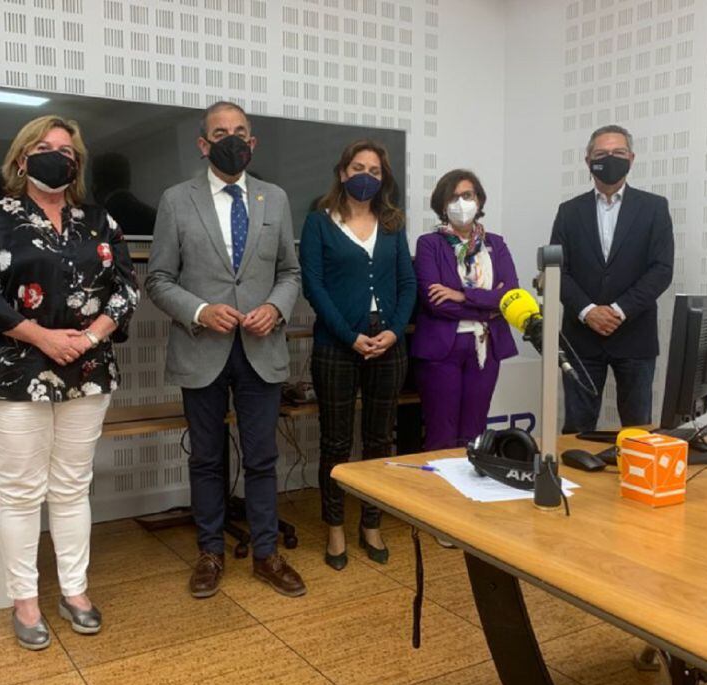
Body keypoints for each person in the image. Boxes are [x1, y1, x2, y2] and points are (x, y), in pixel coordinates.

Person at [0, 115, 140, 650]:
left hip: (86, 368)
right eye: (43, 146)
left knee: (72, 486)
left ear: (77, 163)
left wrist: (89, 337)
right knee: (20, 491)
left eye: (66, 149)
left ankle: (75, 591)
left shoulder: (98, 220)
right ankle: (26, 601)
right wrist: (45, 338)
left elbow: (126, 288)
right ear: (20, 158)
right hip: (12, 373)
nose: (56, 155)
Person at [145, 101, 305, 598]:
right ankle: (210, 553)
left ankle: (266, 555)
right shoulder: (176, 200)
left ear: (252, 143)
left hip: (261, 347)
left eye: (239, 132)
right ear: (203, 144)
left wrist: (276, 309)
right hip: (203, 346)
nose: (231, 140)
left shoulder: (274, 198)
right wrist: (199, 311)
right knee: (207, 460)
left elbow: (290, 273)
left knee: (262, 458)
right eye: (220, 132)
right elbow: (158, 279)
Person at [299, 140, 416, 570]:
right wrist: (349, 336)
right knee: (335, 441)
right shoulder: (318, 222)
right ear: (343, 172)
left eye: (375, 169)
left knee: (380, 440)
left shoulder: (392, 224)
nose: (366, 175)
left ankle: (371, 523)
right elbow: (314, 286)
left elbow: (408, 284)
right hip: (337, 345)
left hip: (388, 345)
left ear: (383, 178)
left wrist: (393, 330)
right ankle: (334, 528)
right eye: (358, 167)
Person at [549, 124, 674, 433]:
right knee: (578, 429)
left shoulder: (654, 208)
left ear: (631, 158)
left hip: (634, 335)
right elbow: (556, 271)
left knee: (638, 430)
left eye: (618, 153)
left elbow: (661, 269)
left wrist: (618, 311)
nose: (610, 159)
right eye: (601, 153)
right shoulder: (568, 211)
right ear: (588, 160)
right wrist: (588, 311)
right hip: (581, 336)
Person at [412, 170, 519, 450]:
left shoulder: (496, 243)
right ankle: (437, 494)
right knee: (441, 435)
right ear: (442, 205)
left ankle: (468, 493)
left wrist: (462, 295)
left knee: (474, 434)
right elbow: (436, 302)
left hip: (485, 348)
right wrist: (488, 305)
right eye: (453, 197)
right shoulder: (429, 244)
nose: (461, 203)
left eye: (467, 196)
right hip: (442, 350)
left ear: (479, 201)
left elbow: (511, 296)